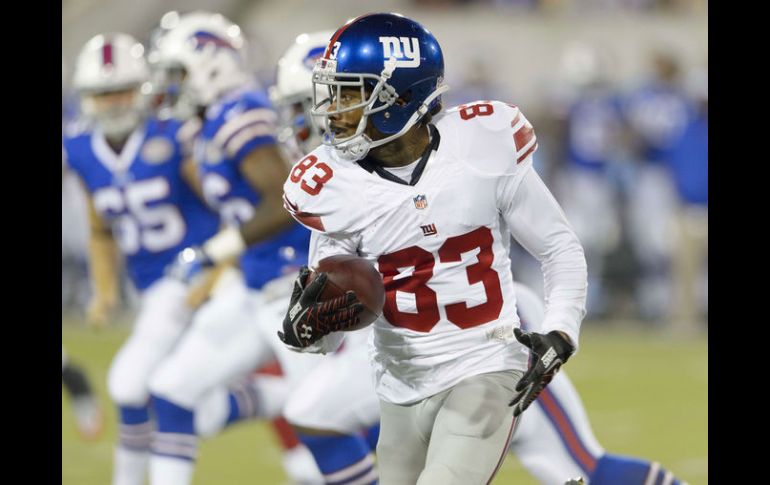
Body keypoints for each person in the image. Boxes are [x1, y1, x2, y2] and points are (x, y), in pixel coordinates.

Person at [279, 13, 587, 485]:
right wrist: (312, 328)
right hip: (399, 384)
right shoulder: (331, 183)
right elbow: (335, 315)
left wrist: (560, 333)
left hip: (485, 365)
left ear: (399, 97)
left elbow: (558, 247)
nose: (332, 109)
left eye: (350, 92)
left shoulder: (482, 145)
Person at [146, 11, 322, 485]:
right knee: (172, 391)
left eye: (178, 72)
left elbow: (285, 199)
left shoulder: (240, 110)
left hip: (294, 287)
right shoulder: (209, 124)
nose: (170, 86)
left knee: (329, 423)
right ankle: (274, 398)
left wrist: (213, 253)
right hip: (256, 283)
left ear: (211, 65)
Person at [63, 32, 221, 485]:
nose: (113, 104)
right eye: (102, 94)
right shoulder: (81, 150)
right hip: (152, 289)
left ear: (143, 89)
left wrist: (221, 268)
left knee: (130, 382)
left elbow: (226, 207)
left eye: (121, 91)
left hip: (194, 273)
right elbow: (99, 228)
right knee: (194, 408)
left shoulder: (174, 136)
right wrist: (105, 291)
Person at [271, 31, 382, 485]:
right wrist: (316, 322)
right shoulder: (324, 179)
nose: (301, 121)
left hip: (457, 338)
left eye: (307, 105)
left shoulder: (374, 172)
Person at [62, 347, 104, 441]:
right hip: (79, 396)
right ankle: (90, 432)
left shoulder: (73, 374)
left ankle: (91, 432)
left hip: (81, 396)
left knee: (87, 416)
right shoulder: (74, 372)